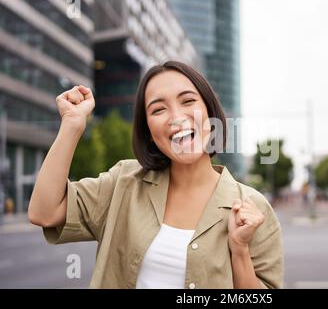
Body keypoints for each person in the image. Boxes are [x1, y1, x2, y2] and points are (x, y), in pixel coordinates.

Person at [28, 61, 283, 289]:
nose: (177, 118)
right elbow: (44, 213)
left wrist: (239, 250)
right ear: (149, 130)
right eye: (159, 110)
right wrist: (72, 125)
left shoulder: (253, 207)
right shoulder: (123, 183)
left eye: (188, 101)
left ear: (210, 113)